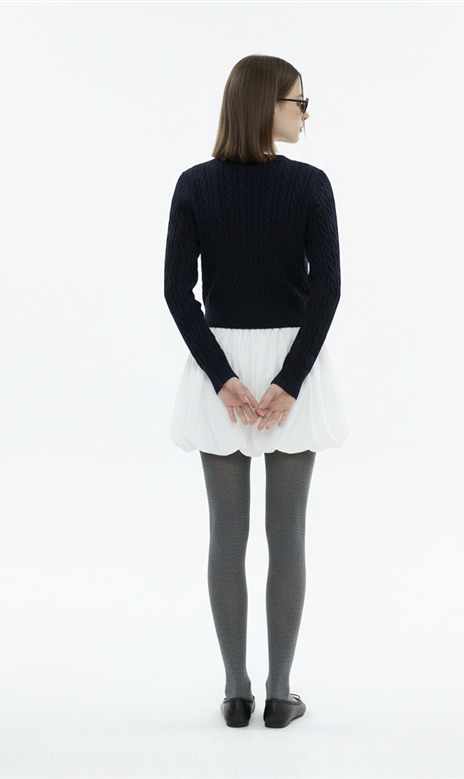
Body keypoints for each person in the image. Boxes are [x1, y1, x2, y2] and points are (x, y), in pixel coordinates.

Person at [163, 54, 349, 728]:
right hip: (290, 365)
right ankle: (279, 694)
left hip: (224, 369)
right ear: (267, 105)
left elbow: (176, 292)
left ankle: (236, 692)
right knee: (286, 536)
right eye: (300, 101)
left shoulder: (194, 185)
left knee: (227, 535)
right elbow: (327, 290)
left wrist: (222, 377)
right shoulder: (310, 185)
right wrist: (290, 382)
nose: (306, 114)